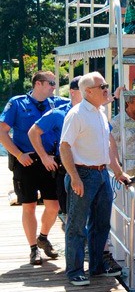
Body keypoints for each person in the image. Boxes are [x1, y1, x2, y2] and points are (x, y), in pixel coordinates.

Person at [59, 72, 130, 286]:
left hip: (101, 174)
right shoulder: (77, 114)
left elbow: (107, 146)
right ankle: (75, 271)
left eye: (106, 86)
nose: (106, 90)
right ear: (88, 91)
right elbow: (64, 146)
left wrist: (118, 172)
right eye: (103, 86)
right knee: (77, 226)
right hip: (83, 173)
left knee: (101, 224)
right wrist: (74, 177)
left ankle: (97, 266)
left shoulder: (99, 112)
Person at [0, 71, 70, 265]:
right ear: (39, 84)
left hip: (49, 162)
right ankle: (33, 249)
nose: (54, 86)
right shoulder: (17, 103)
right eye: (51, 83)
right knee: (29, 206)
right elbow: (2, 132)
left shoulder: (57, 103)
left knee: (54, 206)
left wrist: (111, 97)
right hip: (26, 162)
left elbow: (80, 101)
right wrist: (18, 154)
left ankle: (43, 237)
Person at [28, 76, 82, 217]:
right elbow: (33, 132)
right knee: (71, 215)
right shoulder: (59, 113)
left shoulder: (96, 112)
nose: (88, 93)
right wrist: (44, 156)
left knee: (93, 215)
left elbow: (109, 139)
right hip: (67, 170)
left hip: (92, 170)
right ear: (72, 92)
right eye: (83, 90)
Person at [111, 95, 135, 182]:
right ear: (128, 102)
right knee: (131, 192)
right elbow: (111, 143)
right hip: (129, 165)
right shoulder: (118, 121)